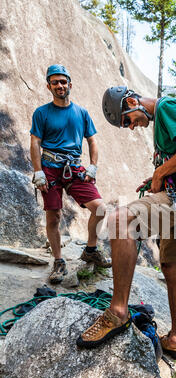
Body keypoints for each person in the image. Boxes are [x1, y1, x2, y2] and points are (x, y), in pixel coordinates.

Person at [76, 86, 176, 359]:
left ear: (132, 101)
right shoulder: (163, 118)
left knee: (119, 220)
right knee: (172, 266)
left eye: (128, 120)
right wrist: (155, 180)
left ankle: (118, 311)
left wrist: (160, 172)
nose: (133, 127)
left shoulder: (166, 107)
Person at [30, 64, 111, 284]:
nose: (60, 85)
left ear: (70, 84)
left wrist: (92, 167)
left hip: (74, 168)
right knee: (54, 216)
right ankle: (58, 261)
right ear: (49, 86)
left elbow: (92, 140)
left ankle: (91, 249)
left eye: (63, 81)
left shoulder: (81, 113)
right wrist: (38, 172)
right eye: (55, 82)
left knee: (100, 209)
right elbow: (35, 142)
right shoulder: (42, 113)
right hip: (50, 167)